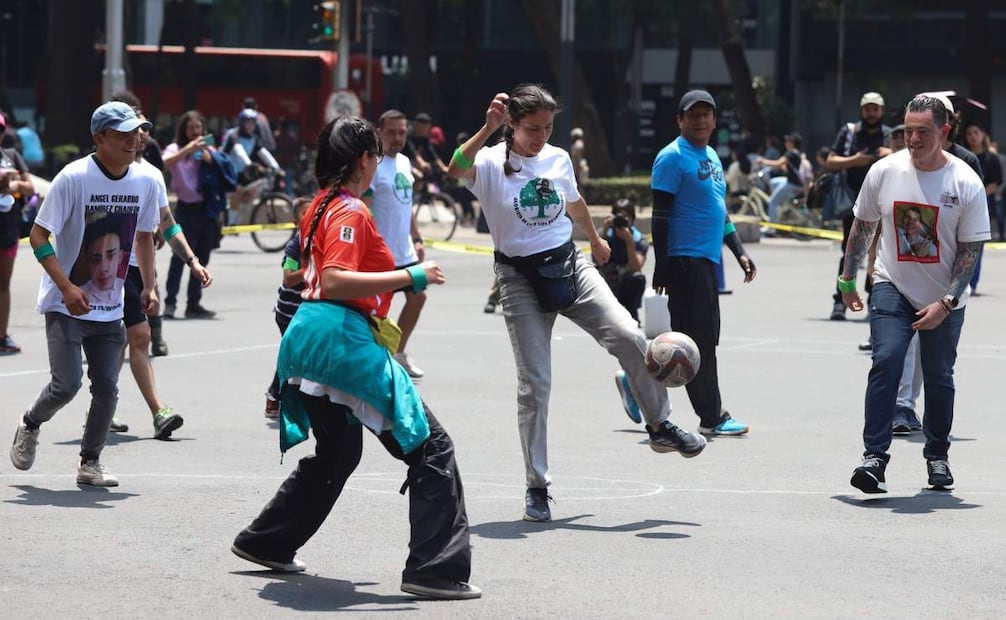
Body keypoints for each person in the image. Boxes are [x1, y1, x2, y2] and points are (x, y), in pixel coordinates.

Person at [232, 116, 480, 601]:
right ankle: (434, 570)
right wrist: (411, 276)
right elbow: (338, 278)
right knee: (431, 446)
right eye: (376, 157)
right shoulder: (349, 210)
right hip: (340, 340)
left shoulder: (317, 206)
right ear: (364, 160)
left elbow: (299, 273)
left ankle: (267, 540)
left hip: (308, 339)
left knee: (339, 452)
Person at [448, 85, 707, 523]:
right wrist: (486, 129)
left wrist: (595, 238)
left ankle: (660, 426)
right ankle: (537, 486)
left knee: (628, 334)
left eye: (548, 127)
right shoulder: (491, 161)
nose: (541, 136)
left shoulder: (558, 158)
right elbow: (454, 169)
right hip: (519, 279)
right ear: (512, 123)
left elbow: (574, 201)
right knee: (536, 384)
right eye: (532, 128)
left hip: (570, 266)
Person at [841, 94, 989, 494]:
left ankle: (937, 455)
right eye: (908, 131)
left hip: (945, 295)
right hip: (893, 284)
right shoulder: (884, 171)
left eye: (923, 132)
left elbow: (971, 252)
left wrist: (946, 303)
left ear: (944, 131)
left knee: (939, 377)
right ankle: (874, 458)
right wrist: (847, 278)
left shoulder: (965, 181)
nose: (913, 139)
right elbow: (863, 226)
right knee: (886, 361)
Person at [10, 101, 161, 487]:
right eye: (123, 134)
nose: (134, 140)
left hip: (111, 307)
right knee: (67, 383)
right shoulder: (73, 178)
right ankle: (30, 423)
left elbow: (144, 237)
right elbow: (39, 235)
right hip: (66, 301)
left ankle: (89, 462)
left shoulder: (144, 181)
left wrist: (149, 285)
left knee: (108, 389)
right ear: (99, 138)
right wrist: (66, 286)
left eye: (137, 132)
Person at [644, 89, 756, 438]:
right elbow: (660, 216)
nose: (701, 120)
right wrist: (661, 264)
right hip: (685, 260)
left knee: (697, 340)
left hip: (707, 261)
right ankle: (712, 416)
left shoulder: (710, 156)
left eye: (706, 114)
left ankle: (638, 385)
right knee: (700, 343)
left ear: (714, 120)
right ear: (680, 120)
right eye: (693, 114)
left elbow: (718, 211)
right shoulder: (672, 157)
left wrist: (738, 250)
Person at [113, 110, 212, 437]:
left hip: (140, 271)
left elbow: (167, 224)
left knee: (130, 341)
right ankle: (152, 412)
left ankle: (118, 409)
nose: (139, 135)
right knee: (129, 341)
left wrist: (193, 261)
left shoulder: (151, 175)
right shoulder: (94, 172)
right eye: (132, 129)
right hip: (108, 271)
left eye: (142, 129)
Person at [363, 109, 428, 378]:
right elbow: (364, 209)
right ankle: (374, 361)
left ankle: (397, 354)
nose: (397, 137)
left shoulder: (404, 162)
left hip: (406, 251)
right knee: (377, 311)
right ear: (379, 132)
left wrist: (417, 237)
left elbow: (406, 204)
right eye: (391, 132)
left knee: (418, 297)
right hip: (381, 254)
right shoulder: (373, 165)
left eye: (402, 132)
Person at [826, 92, 892, 321]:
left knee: (878, 254)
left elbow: (907, 159)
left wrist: (891, 153)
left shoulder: (889, 135)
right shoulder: (849, 132)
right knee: (850, 252)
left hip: (883, 202)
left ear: (882, 111)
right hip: (852, 204)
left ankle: (873, 300)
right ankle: (840, 301)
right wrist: (854, 160)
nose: (871, 113)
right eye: (868, 109)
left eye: (875, 109)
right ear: (861, 110)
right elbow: (831, 161)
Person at [162, 110, 220, 319]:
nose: (195, 132)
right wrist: (188, 149)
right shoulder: (176, 148)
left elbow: (223, 171)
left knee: (203, 255)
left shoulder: (208, 149)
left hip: (206, 209)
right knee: (180, 257)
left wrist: (209, 157)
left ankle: (193, 302)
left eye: (198, 127)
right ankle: (170, 302)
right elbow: (165, 162)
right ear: (183, 130)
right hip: (186, 209)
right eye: (190, 128)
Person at [264, 197, 311, 418]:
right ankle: (274, 396)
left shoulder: (320, 241)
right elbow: (289, 278)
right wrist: (314, 270)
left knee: (300, 356)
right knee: (293, 356)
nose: (310, 217)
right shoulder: (295, 246)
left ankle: (294, 399)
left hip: (306, 312)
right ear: (295, 221)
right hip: (288, 313)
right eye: (304, 214)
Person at [0, 131, 35, 354]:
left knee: (3, 284)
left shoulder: (11, 155)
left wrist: (13, 186)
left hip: (8, 231)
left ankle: (2, 336)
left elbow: (30, 187)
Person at [222, 108, 283, 222]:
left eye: (253, 123)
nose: (250, 126)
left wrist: (276, 167)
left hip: (242, 172)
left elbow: (263, 152)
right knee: (236, 192)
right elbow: (238, 150)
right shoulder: (234, 135)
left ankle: (234, 220)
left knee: (249, 195)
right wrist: (250, 164)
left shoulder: (254, 138)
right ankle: (230, 223)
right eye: (247, 123)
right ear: (242, 123)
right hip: (227, 170)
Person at [963, 120, 1001, 294]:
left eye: (975, 133)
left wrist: (979, 194)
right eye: (969, 134)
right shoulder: (962, 156)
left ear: (983, 135)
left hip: (983, 203)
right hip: (963, 203)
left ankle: (972, 283)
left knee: (977, 245)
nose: (973, 137)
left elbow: (995, 182)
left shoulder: (991, 158)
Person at [594, 198, 647, 322]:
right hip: (607, 280)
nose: (621, 221)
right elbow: (596, 260)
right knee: (594, 273)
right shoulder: (606, 235)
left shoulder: (639, 239)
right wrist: (605, 230)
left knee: (638, 278)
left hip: (625, 284)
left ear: (632, 219)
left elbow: (636, 268)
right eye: (619, 217)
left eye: (626, 217)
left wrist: (629, 242)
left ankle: (631, 310)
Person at [757, 132, 807, 226]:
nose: (785, 143)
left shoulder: (791, 153)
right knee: (773, 182)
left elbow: (778, 163)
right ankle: (781, 206)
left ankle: (772, 227)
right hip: (794, 182)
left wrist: (763, 161)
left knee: (772, 202)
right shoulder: (796, 153)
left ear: (792, 143)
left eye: (788, 141)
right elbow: (783, 167)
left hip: (793, 184)